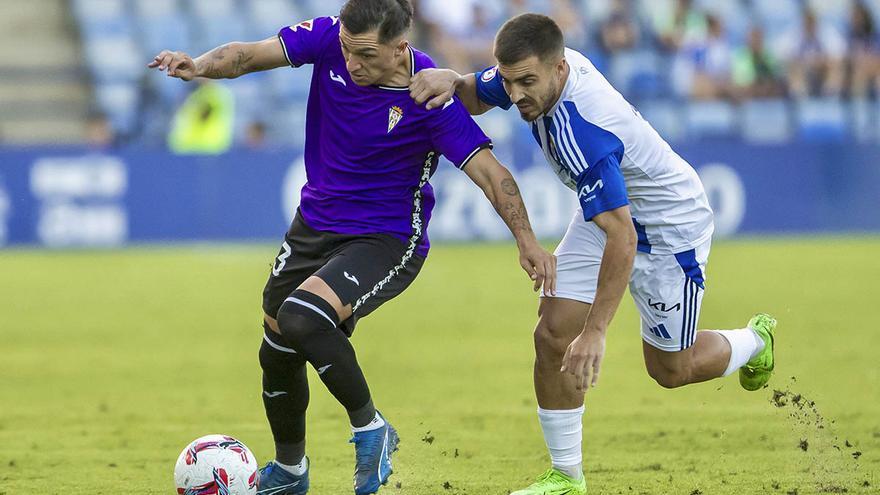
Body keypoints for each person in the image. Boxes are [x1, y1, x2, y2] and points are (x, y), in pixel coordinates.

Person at [147, 1, 556, 494]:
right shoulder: (327, 38)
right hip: (314, 224)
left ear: (400, 47)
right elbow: (246, 56)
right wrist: (199, 66)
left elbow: (491, 174)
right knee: (276, 348)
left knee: (302, 318)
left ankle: (371, 428)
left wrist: (527, 240)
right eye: (346, 51)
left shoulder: (428, 92)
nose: (351, 63)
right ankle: (291, 472)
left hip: (385, 238)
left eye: (364, 55)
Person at [410, 13, 776, 495]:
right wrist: (455, 79)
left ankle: (755, 341)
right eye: (510, 80)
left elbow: (623, 236)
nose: (516, 94)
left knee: (671, 369)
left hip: (667, 226)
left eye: (526, 82)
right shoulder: (533, 74)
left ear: (559, 70)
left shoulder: (580, 130)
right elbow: (479, 95)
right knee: (552, 333)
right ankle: (567, 476)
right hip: (609, 214)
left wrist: (597, 332)